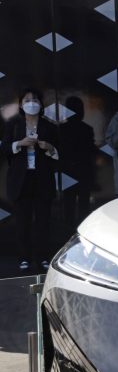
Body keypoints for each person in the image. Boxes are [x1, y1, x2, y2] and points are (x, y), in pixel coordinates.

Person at [1, 88, 60, 271]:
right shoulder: (14, 125)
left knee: (43, 222)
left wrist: (49, 147)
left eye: (35, 99)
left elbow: (59, 153)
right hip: (21, 180)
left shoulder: (49, 126)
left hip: (42, 179)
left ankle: (43, 257)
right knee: (23, 223)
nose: (31, 103)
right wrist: (19, 143)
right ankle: (23, 258)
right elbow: (4, 149)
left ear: (41, 104)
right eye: (27, 100)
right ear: (21, 104)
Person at [58, 96, 98, 231]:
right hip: (84, 170)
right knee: (83, 204)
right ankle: (82, 231)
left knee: (68, 203)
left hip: (67, 171)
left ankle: (67, 231)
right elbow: (91, 150)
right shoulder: (87, 129)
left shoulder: (60, 129)